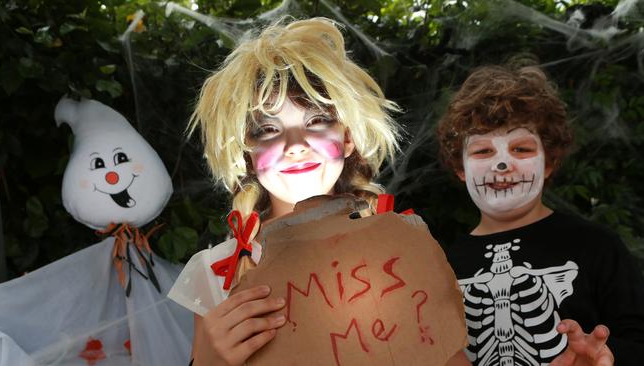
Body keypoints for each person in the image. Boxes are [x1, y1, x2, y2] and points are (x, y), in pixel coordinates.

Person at [166, 17, 447, 366]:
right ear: (247, 156)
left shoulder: (402, 248)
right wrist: (208, 362)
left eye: (316, 121)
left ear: (347, 138)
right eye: (267, 130)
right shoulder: (214, 272)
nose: (295, 146)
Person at [437, 64, 644, 365]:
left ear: (549, 162)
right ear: (460, 168)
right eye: (483, 151)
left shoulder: (596, 246)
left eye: (521, 149)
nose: (503, 164)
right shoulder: (443, 266)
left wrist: (608, 355)